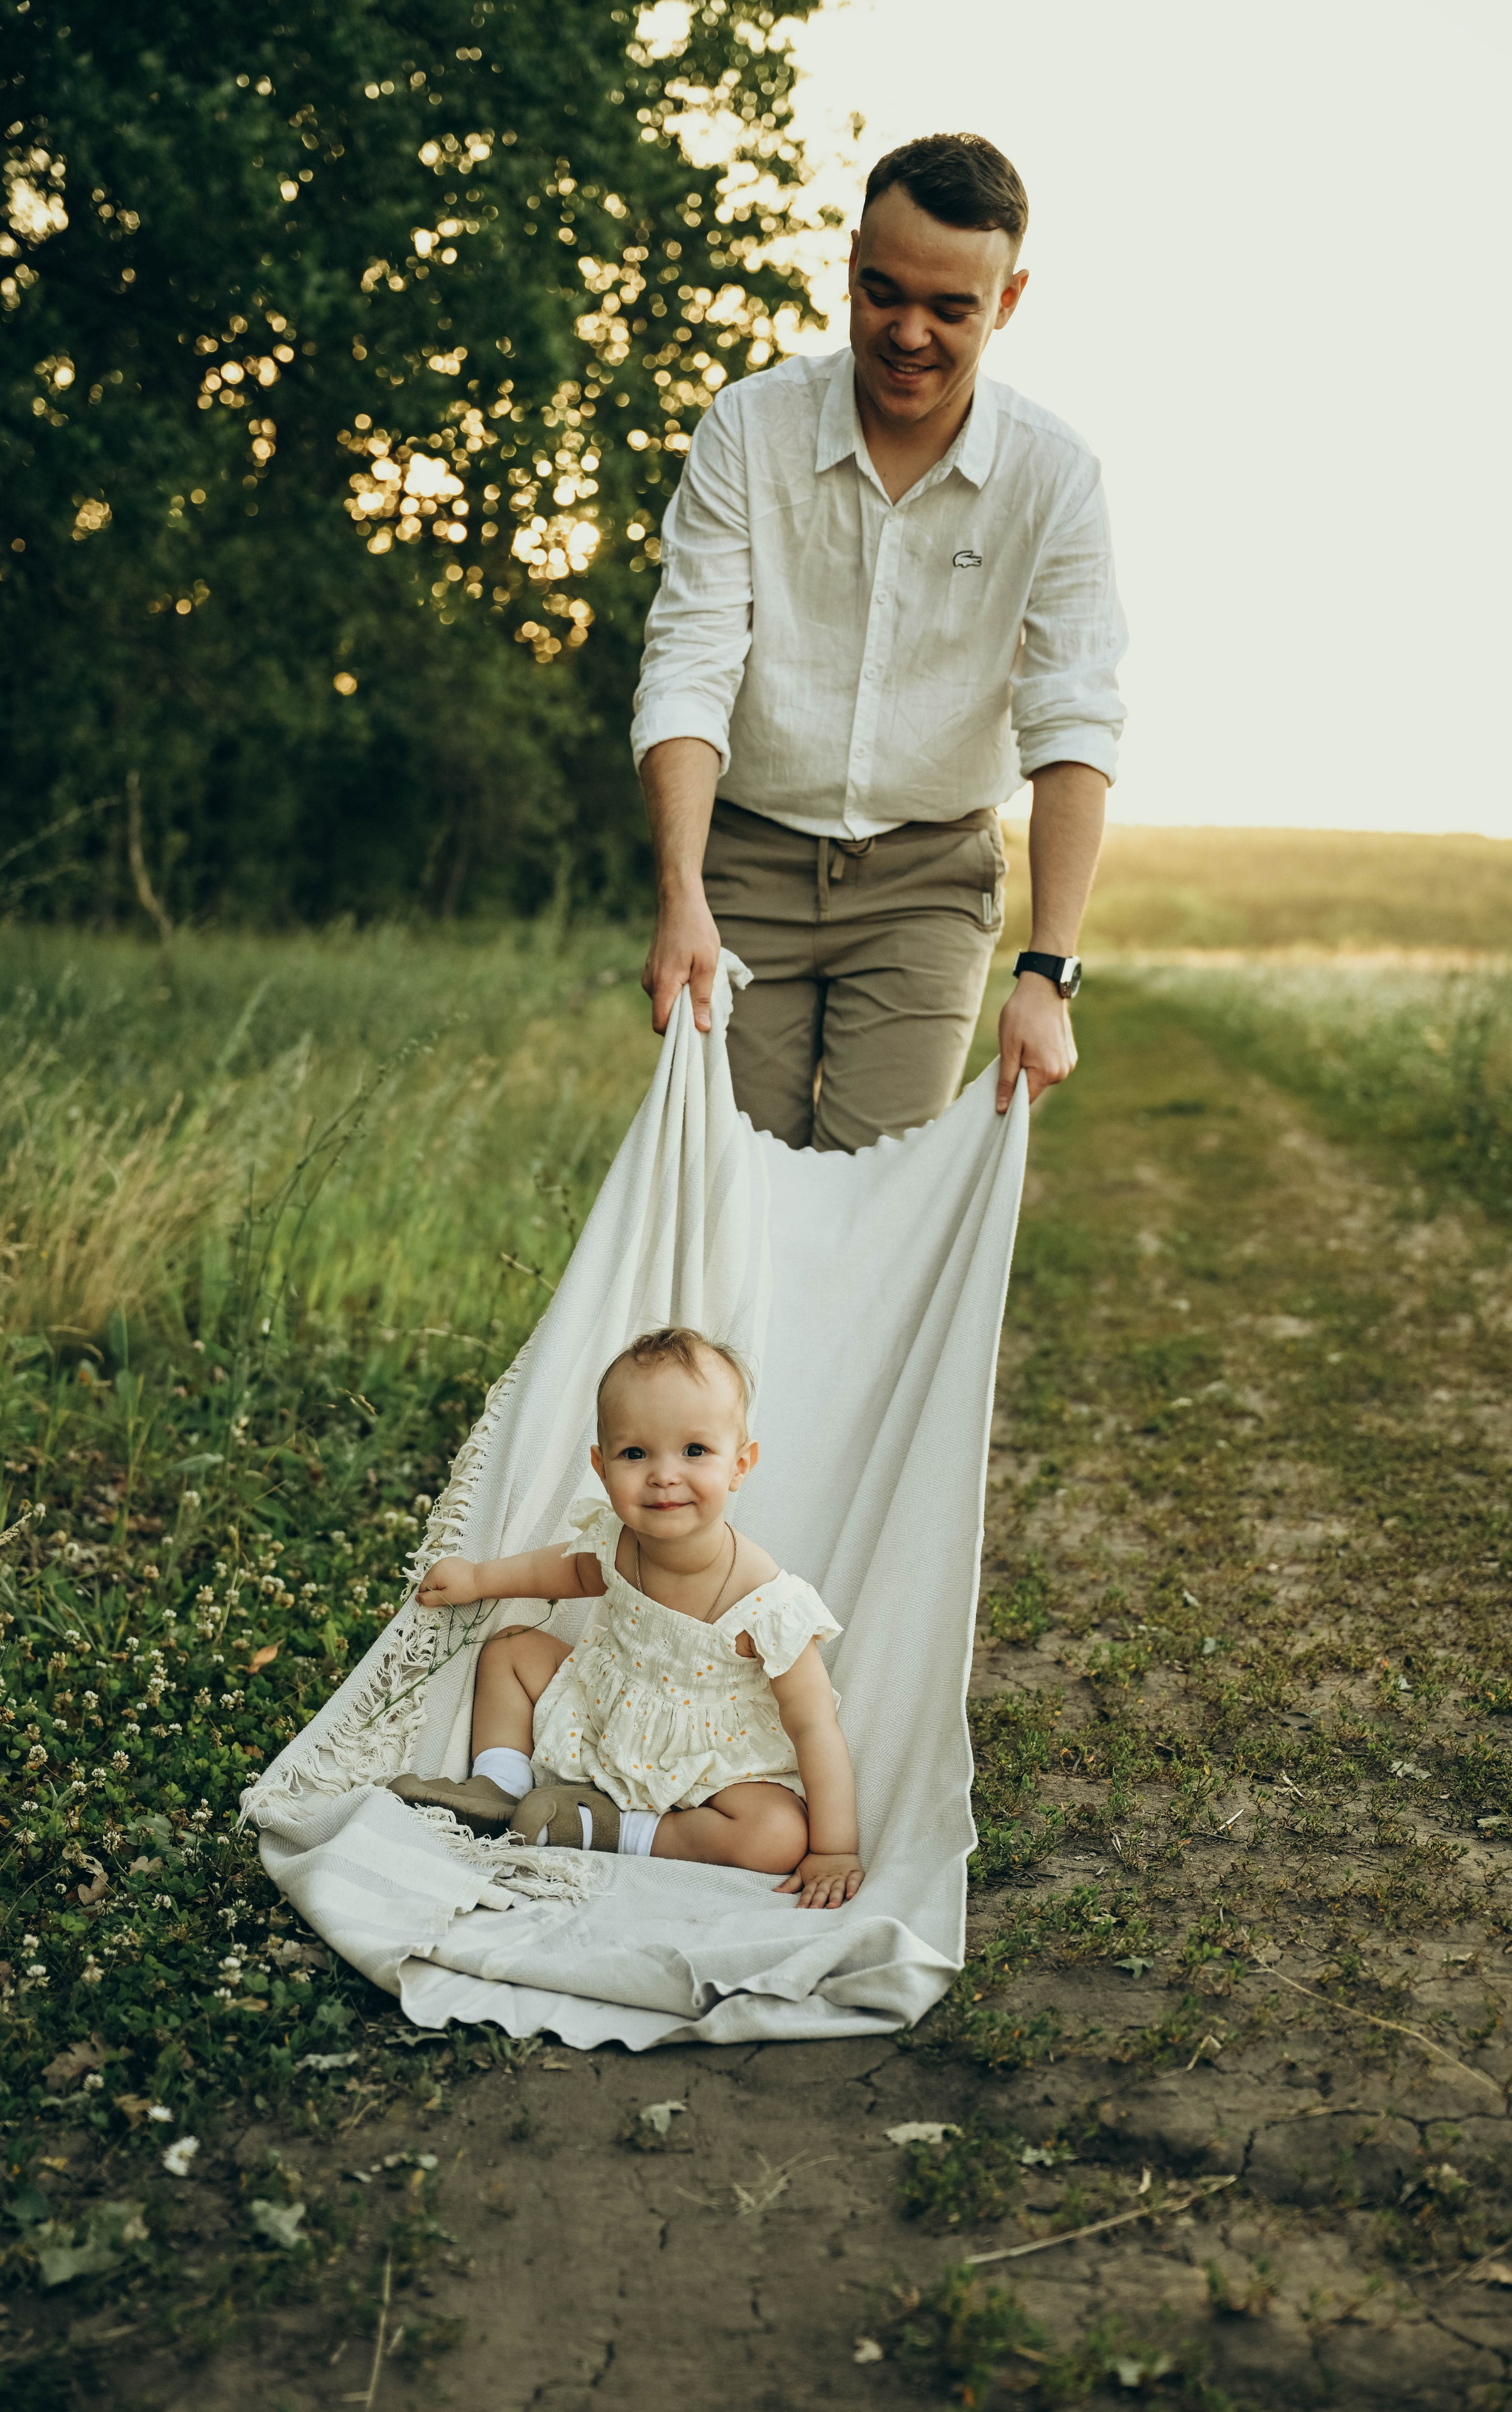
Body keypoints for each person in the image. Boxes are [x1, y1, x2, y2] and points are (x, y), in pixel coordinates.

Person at [632, 131, 1128, 1152]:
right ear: (852, 258)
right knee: (734, 1197)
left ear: (1010, 299)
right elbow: (689, 666)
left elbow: (1074, 719)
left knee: (872, 1203)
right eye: (882, 292)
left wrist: (1048, 974)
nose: (908, 334)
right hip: (748, 867)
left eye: (951, 309)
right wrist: (681, 895)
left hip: (930, 885)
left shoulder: (1056, 477)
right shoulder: (747, 430)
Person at [393, 1327, 864, 1911]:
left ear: (740, 1465)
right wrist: (479, 1579)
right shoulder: (618, 1542)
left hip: (711, 1767)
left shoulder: (765, 1603)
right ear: (601, 1465)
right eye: (635, 1453)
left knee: (777, 1834)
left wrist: (836, 1849)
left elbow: (815, 1725)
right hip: (604, 1713)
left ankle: (619, 1832)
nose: (664, 1474)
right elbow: (561, 1572)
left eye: (695, 1451)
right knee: (511, 1649)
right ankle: (501, 1788)